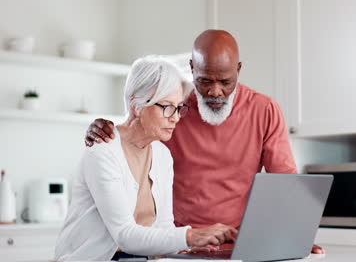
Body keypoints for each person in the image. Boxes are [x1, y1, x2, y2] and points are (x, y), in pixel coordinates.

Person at [85, 30, 324, 254]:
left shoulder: (264, 110)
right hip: (178, 244)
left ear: (239, 70)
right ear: (192, 68)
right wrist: (106, 128)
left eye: (226, 82)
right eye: (205, 81)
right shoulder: (174, 108)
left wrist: (296, 235)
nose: (215, 92)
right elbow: (136, 132)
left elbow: (284, 183)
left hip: (239, 245)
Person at [55, 56, 237, 261]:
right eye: (167, 106)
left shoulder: (162, 155)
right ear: (136, 106)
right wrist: (190, 235)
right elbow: (124, 235)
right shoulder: (102, 151)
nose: (175, 117)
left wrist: (186, 249)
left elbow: (164, 227)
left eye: (178, 107)